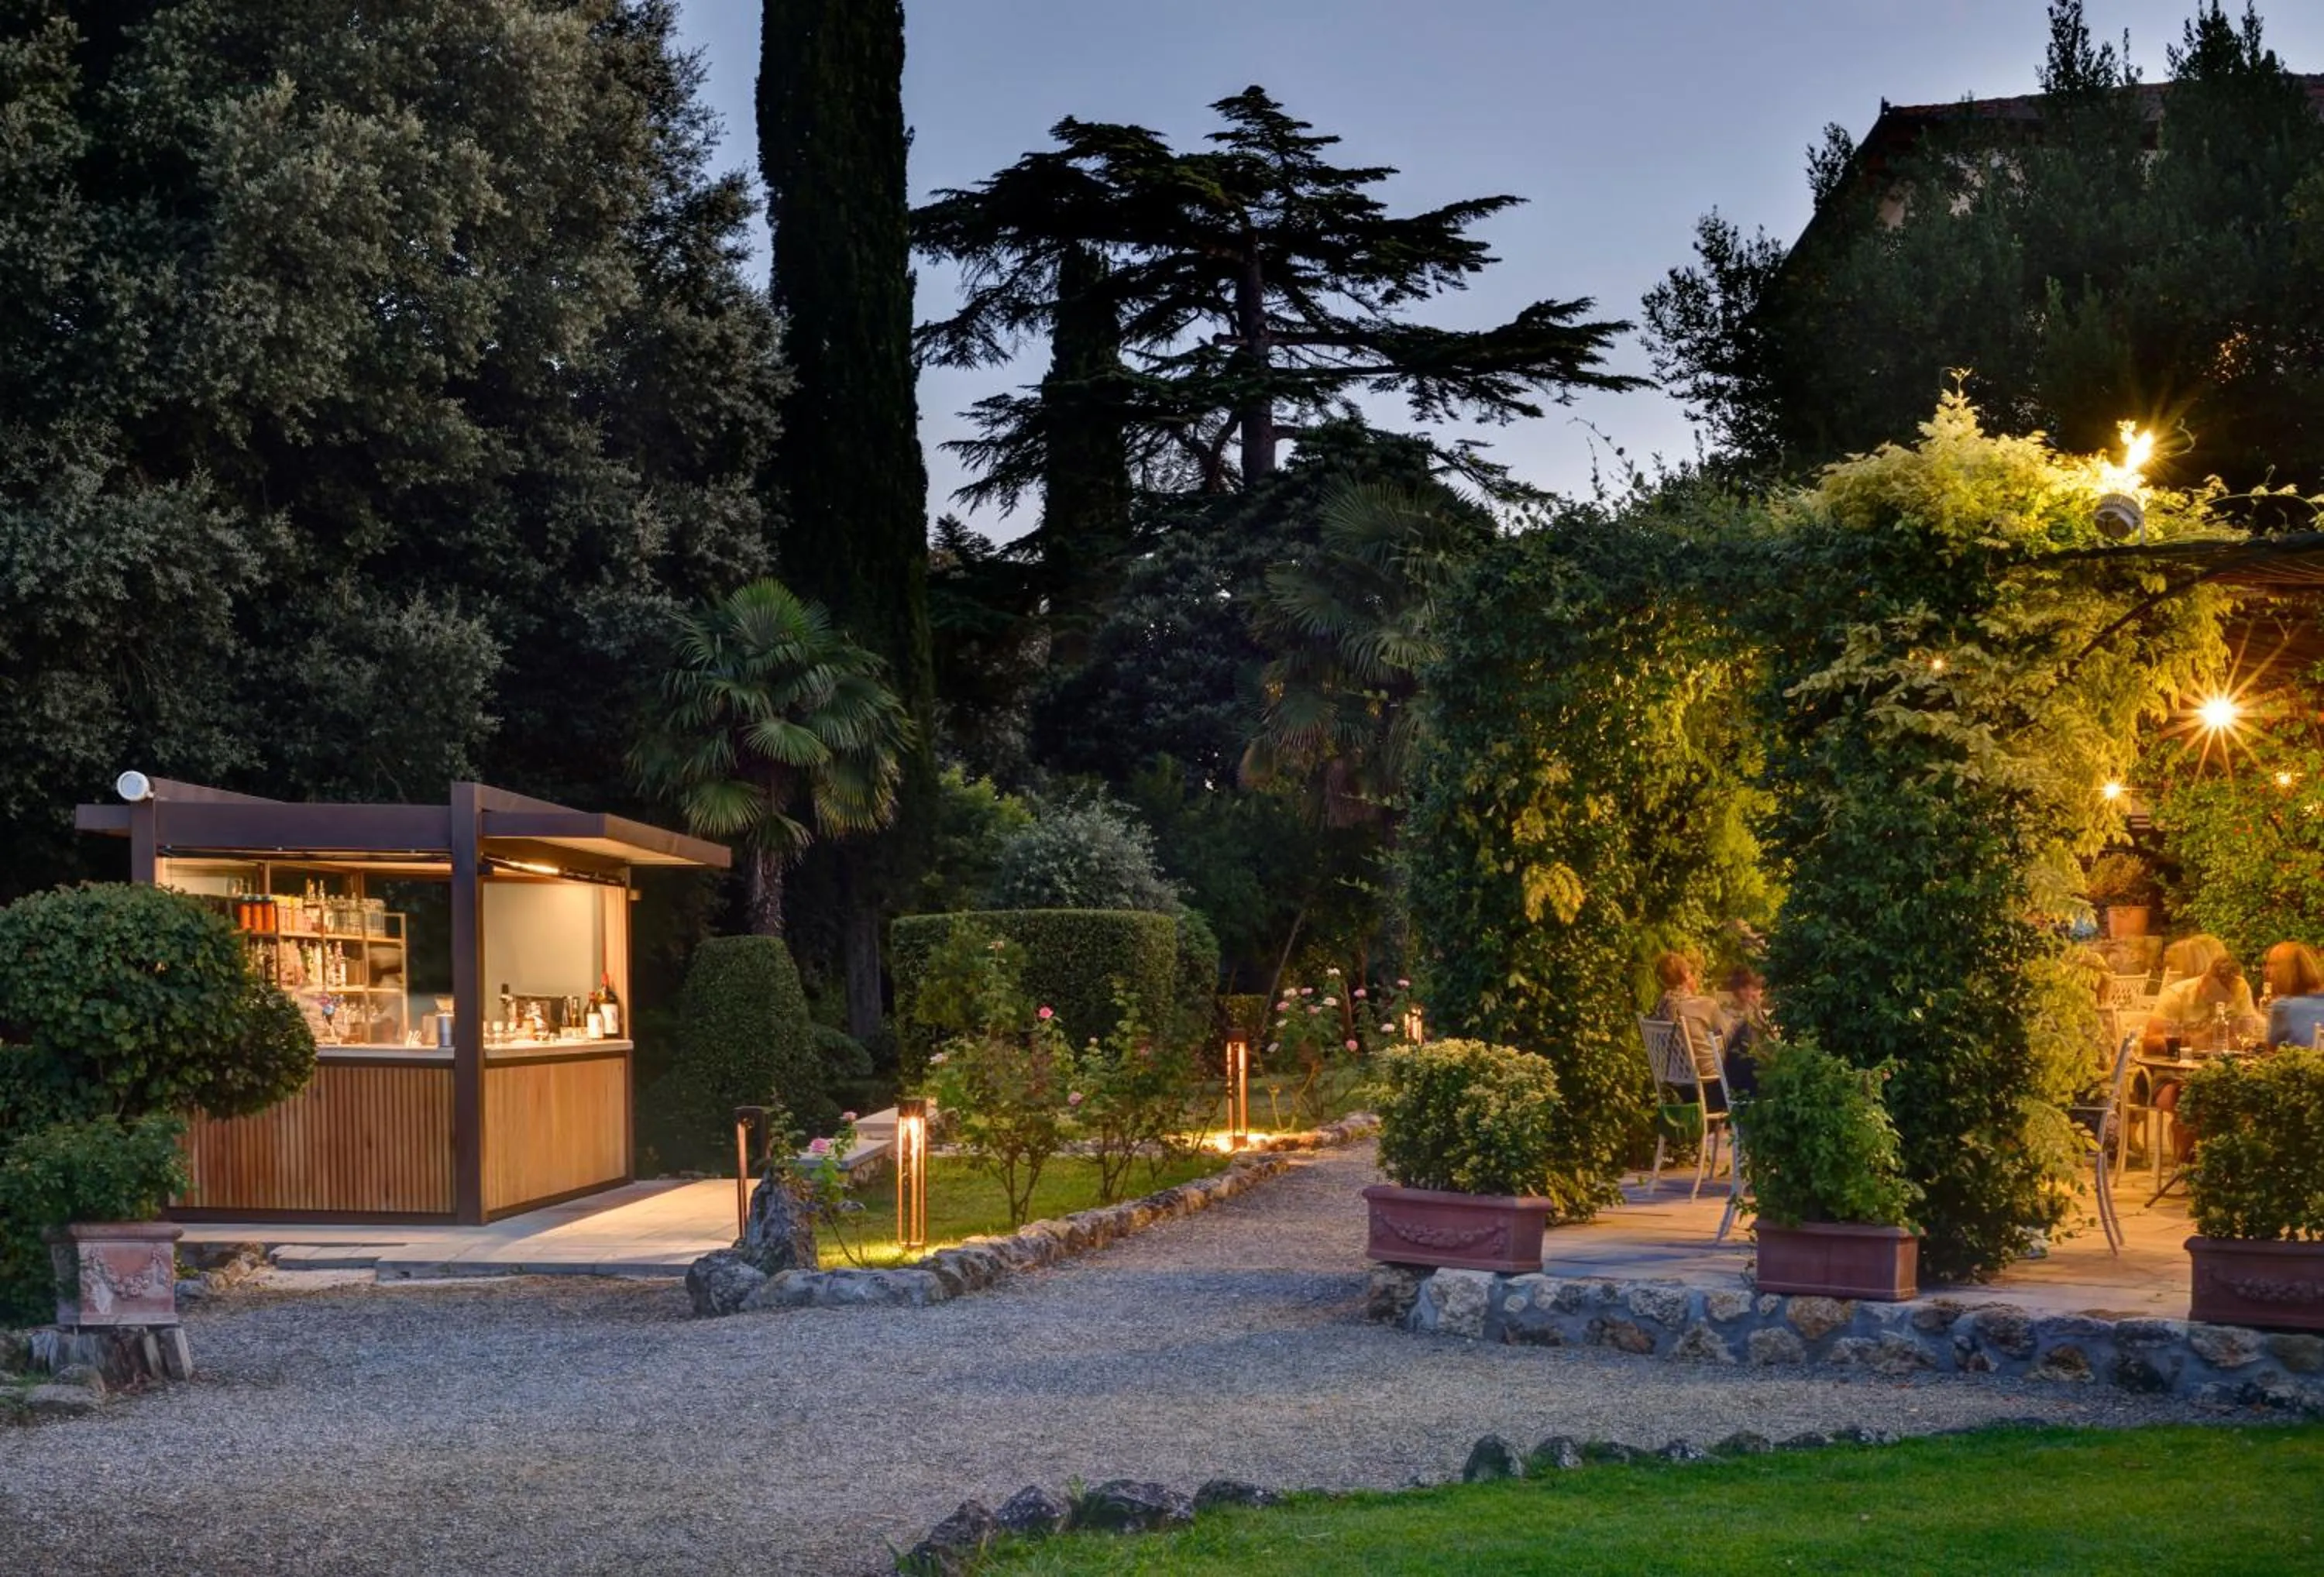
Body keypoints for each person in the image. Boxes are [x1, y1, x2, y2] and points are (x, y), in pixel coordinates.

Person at [1648, 950, 1728, 1109]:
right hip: (1710, 1083)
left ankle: (1714, 1130)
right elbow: (1728, 1037)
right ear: (1685, 975)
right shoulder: (1705, 1004)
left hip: (1679, 1084)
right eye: (1691, 972)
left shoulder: (1660, 1010)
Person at [1717, 965, 1771, 1099]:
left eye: (1752, 988)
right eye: (1744, 988)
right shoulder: (1730, 1016)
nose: (1749, 993)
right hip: (1741, 1075)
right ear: (1736, 990)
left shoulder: (1756, 1014)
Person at [2263, 940, 2324, 1051]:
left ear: (2286, 971)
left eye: (2272, 965)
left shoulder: (2284, 1007)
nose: (2267, 971)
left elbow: (2272, 1053)